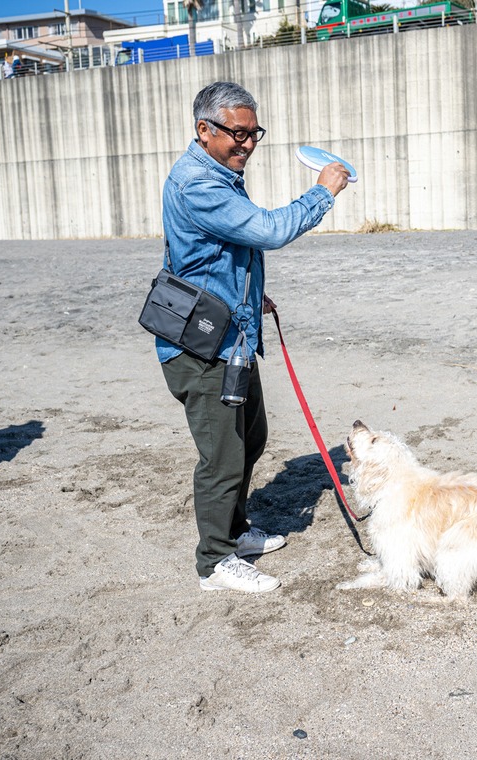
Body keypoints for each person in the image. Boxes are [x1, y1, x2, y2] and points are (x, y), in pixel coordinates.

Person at [158, 81, 350, 593]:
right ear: (204, 129)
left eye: (253, 133)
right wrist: (323, 190)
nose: (246, 143)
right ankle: (214, 563)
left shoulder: (220, 172)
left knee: (252, 438)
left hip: (232, 332)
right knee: (221, 457)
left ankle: (235, 530)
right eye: (236, 133)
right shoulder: (197, 183)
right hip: (201, 347)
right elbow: (266, 230)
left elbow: (214, 254)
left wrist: (249, 293)